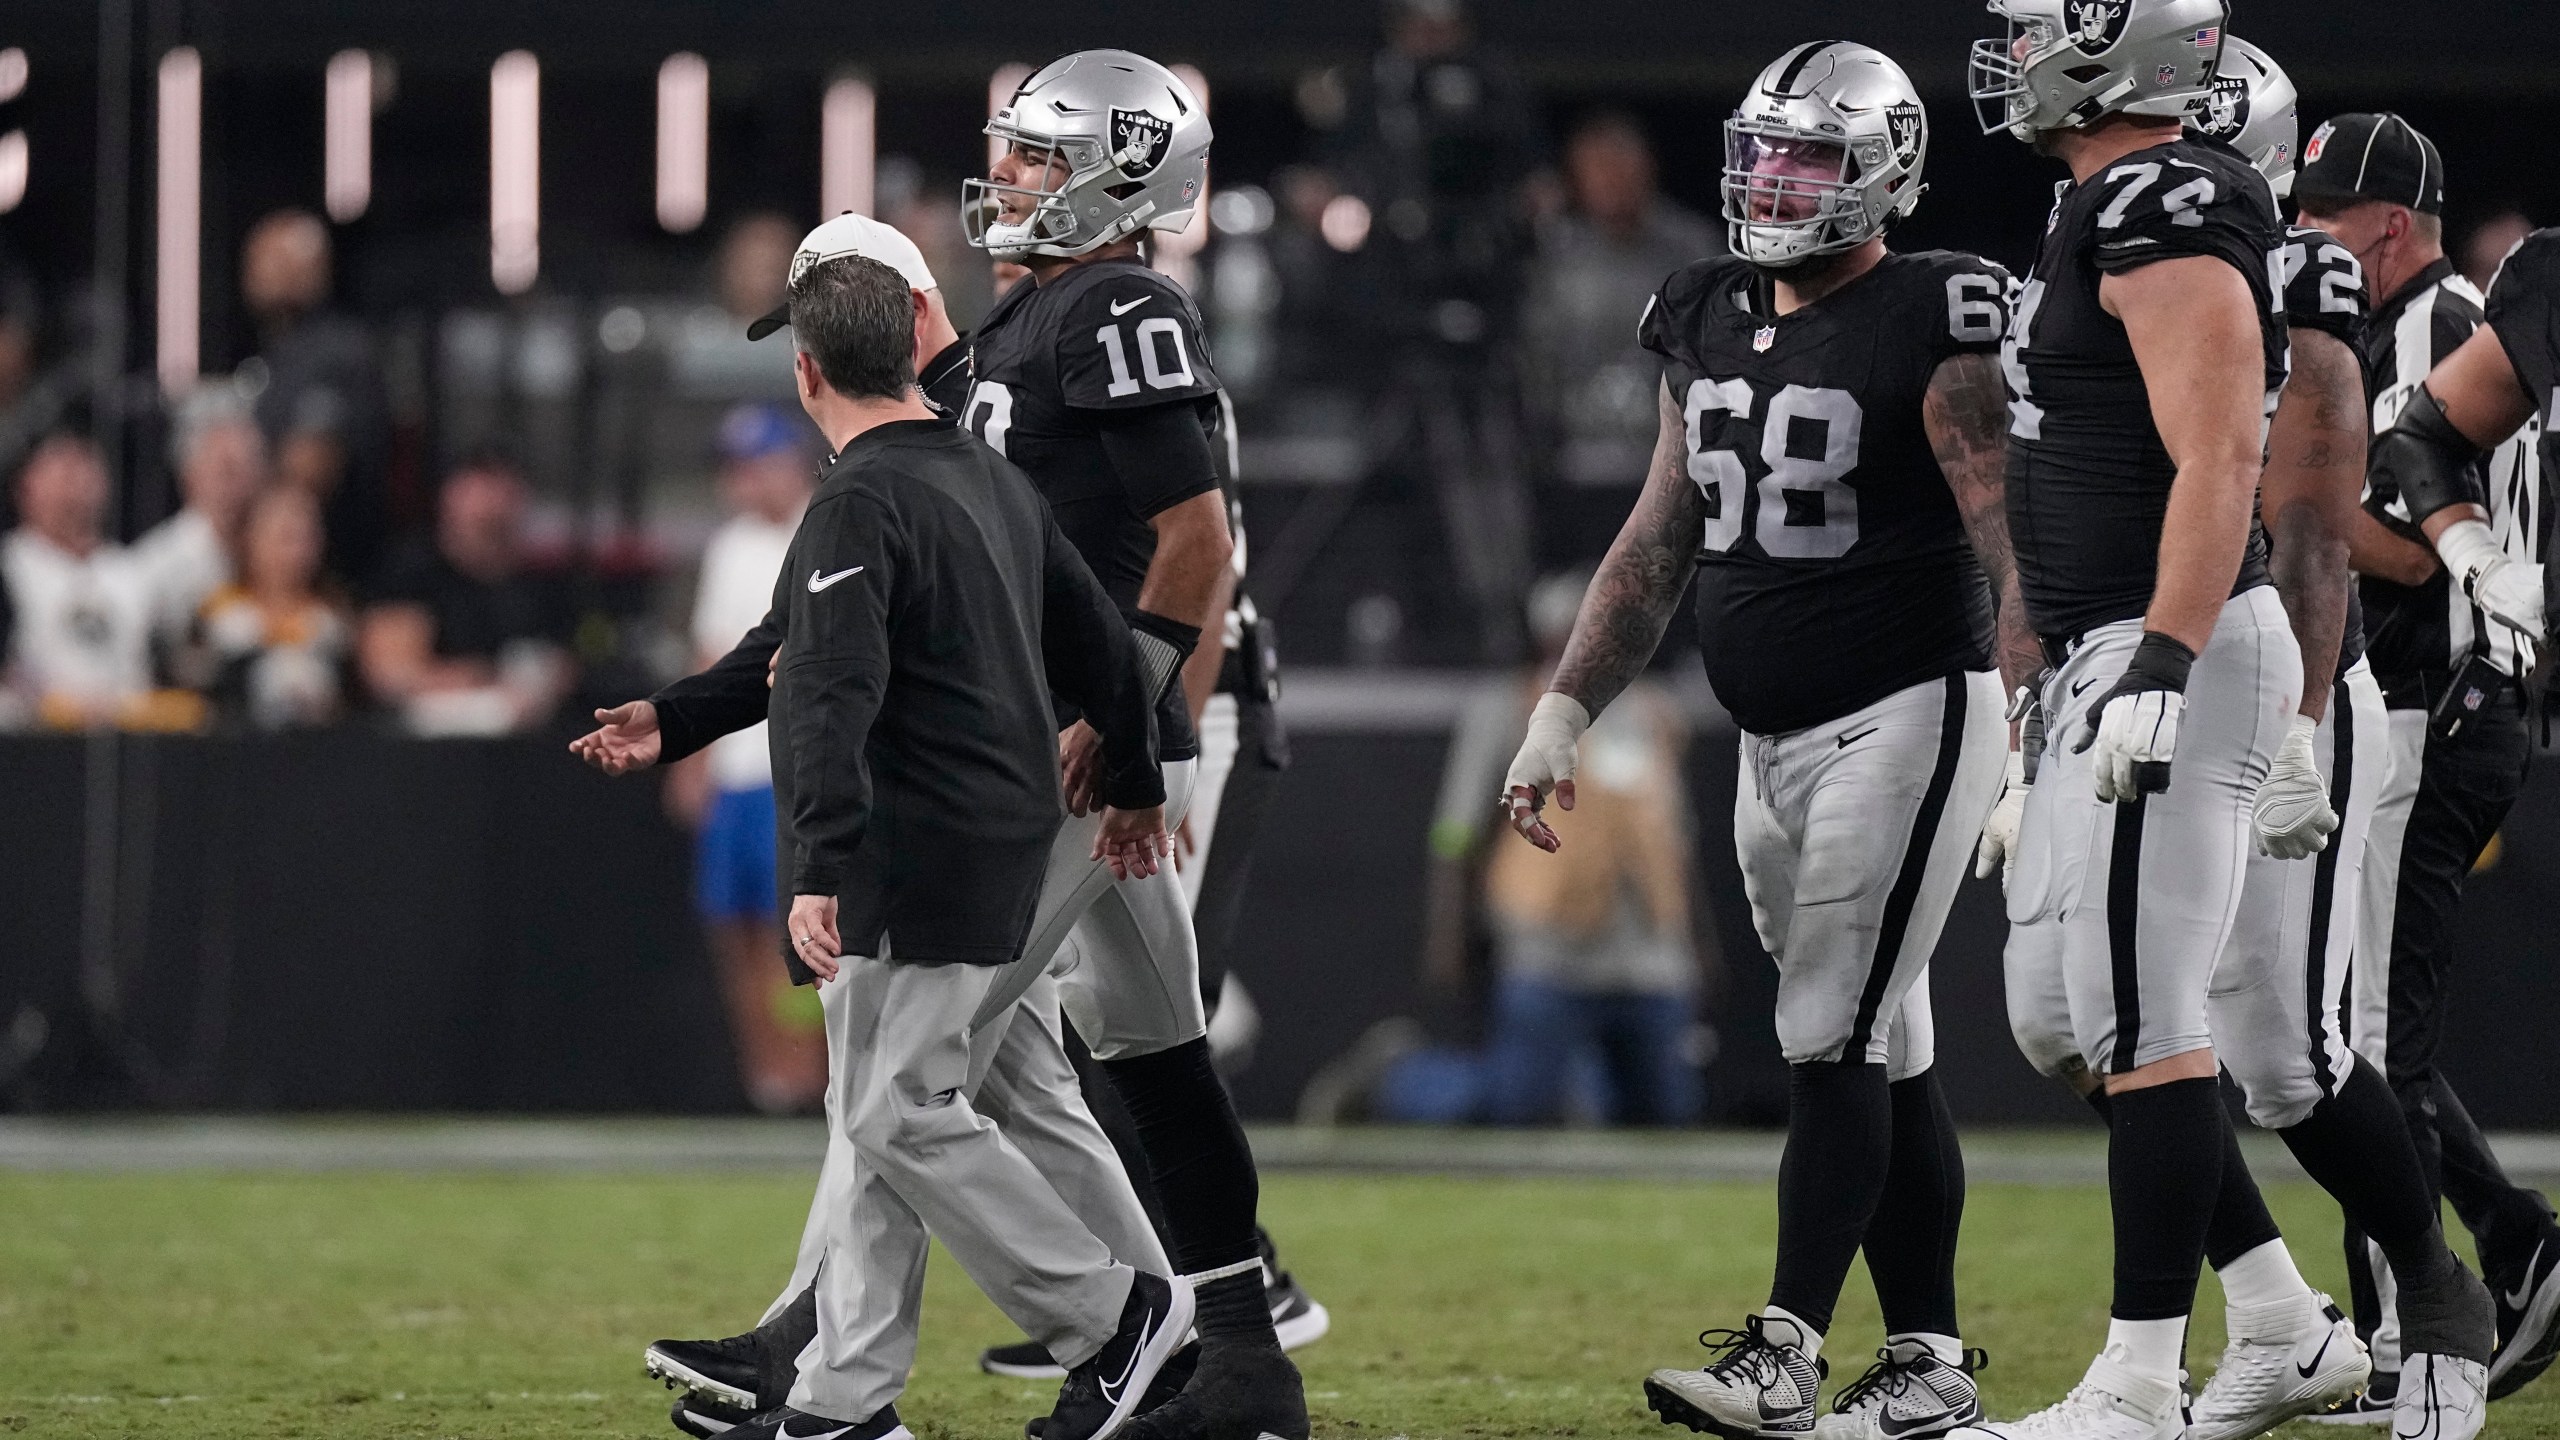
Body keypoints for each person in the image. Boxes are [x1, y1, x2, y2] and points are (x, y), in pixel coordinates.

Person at [1965, 10, 2493, 1440]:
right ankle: (2284, 1316)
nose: (2007, 55)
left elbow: (2250, 469)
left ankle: (2151, 1375)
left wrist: (2174, 658)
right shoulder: (2089, 211)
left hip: (2183, 648)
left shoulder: (2171, 203)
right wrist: (2037, 715)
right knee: (2078, 1018)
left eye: (2035, 31)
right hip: (2108, 649)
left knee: (2234, 1039)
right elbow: (2047, 488)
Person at [1502, 43, 2026, 1440]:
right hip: (1769, 736)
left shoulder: (1936, 311)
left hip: (1910, 711)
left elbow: (2007, 541)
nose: (1774, 181)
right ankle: (1929, 1364)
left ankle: (1786, 1352)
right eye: (1764, 153)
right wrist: (1564, 707)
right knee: (1884, 1041)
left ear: (1885, 171)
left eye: (1807, 156)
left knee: (1827, 1031)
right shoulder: (1707, 309)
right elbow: (1660, 537)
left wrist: (2033, 729)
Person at [951, 50, 1308, 1440]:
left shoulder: (1119, 306)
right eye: (1020, 150)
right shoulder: (1039, 314)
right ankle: (1238, 1351)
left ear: (1122, 173)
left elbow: (1198, 547)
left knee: (919, 1066)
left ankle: (847, 1359)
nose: (1017, 175)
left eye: (1046, 153)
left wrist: (1138, 729)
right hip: (1085, 735)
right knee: (1156, 1051)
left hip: (1082, 739)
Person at [2292, 110, 2560, 1415]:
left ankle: (2416, 1325)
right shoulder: (2406, 325)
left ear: (2387, 225)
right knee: (2340, 1029)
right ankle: (2515, 1246)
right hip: (2413, 703)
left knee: (2364, 1040)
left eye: (2323, 220)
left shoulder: (2445, 325)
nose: (2302, 241)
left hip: (2434, 701)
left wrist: (2275, 488)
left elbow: (2403, 549)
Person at [1383, 568, 1704, 1127]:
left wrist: (1698, 941)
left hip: (1650, 955)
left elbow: (1674, 839)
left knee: (1667, 1116)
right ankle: (1404, 1083)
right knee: (1520, 1109)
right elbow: (1456, 831)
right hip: (1547, 947)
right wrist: (1449, 932)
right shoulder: (1508, 708)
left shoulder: (1654, 713)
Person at [678, 402, 827, 1116]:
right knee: (733, 925)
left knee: (797, 934)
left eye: (753, 466)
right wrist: (692, 755)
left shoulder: (824, 532)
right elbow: (710, 656)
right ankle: (766, 1077)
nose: (741, 483)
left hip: (791, 769)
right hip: (736, 772)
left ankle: (812, 1075)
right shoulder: (729, 547)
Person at [1522, 113, 1720, 491]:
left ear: (1649, 168)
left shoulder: (1693, 250)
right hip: (1574, 460)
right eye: (1597, 168)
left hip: (1678, 458)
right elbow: (1535, 359)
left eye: (1622, 165)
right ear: (1575, 179)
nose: (1612, 179)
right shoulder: (1553, 258)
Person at [357, 449, 572, 734]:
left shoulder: (537, 585)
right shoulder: (411, 573)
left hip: (521, 744)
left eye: (505, 494)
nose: (494, 506)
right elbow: (391, 677)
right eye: (482, 494)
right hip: (425, 745)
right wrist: (482, 682)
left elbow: (564, 665)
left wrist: (544, 681)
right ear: (450, 498)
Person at [239, 209, 391, 585]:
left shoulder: (336, 352)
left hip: (331, 572)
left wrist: (235, 507)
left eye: (275, 259)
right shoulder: (278, 353)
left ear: (313, 269)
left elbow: (307, 473)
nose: (258, 273)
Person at [0, 432, 156, 728]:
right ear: (25, 486)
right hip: (30, 738)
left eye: (84, 463)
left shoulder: (132, 570)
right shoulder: (10, 565)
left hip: (126, 735)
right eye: (59, 465)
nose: (72, 478)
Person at [197, 484, 350, 730]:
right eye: (286, 537)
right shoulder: (218, 613)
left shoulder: (332, 618)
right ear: (249, 538)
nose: (298, 552)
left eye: (308, 537)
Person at [133, 378, 267, 652]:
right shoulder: (156, 566)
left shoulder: (279, 556)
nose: (241, 485)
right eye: (227, 470)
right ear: (189, 474)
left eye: (250, 468)